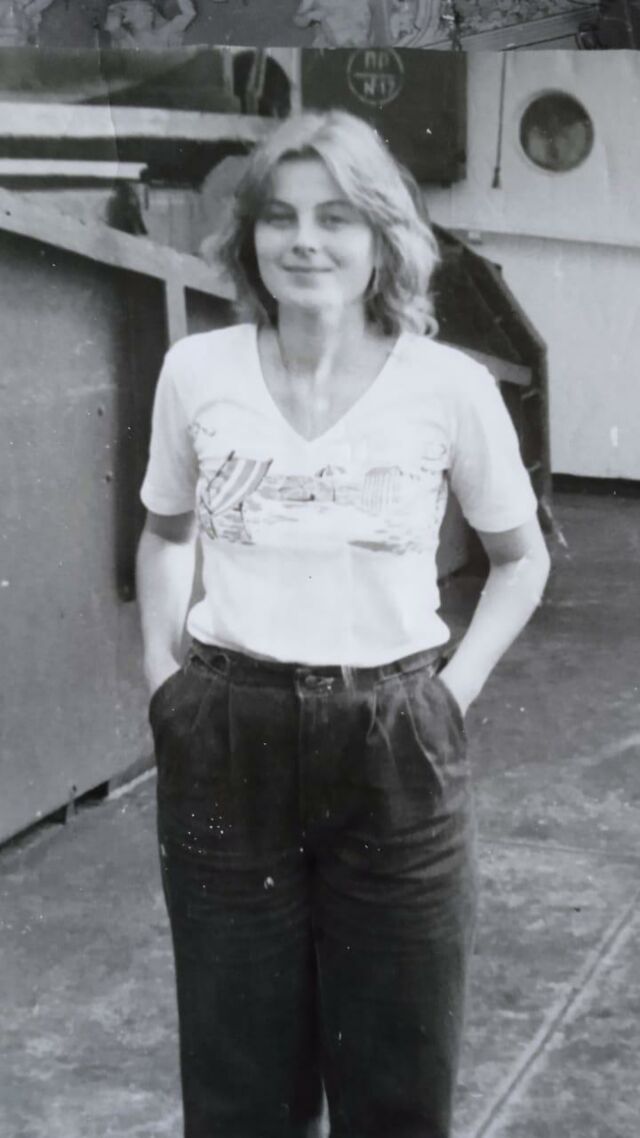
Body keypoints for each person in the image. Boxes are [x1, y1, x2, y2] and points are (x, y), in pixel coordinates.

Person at [137, 110, 550, 1138]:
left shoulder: (448, 386)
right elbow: (165, 533)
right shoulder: (198, 371)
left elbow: (520, 558)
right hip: (227, 737)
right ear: (250, 237)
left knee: (398, 1083)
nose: (305, 241)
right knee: (240, 1090)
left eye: (336, 217)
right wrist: (164, 682)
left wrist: (447, 697)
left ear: (382, 237)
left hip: (394, 743)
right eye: (279, 217)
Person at [104, 0, 198, 49]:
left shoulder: (166, 32)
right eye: (143, 10)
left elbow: (189, 14)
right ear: (127, 19)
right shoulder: (129, 43)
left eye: (149, 8)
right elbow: (112, 25)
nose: (150, 11)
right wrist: (117, 10)